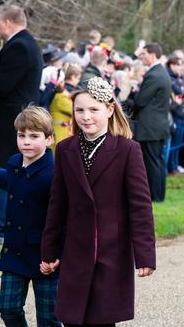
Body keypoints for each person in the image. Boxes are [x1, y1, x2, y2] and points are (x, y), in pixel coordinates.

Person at [41, 77, 156, 326]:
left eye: (94, 109)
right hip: (75, 249)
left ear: (110, 110)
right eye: (80, 110)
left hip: (111, 251)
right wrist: (49, 250)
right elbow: (57, 204)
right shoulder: (65, 149)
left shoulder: (128, 150)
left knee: (102, 319)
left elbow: (140, 206)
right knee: (73, 317)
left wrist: (145, 254)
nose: (86, 116)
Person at [0, 106, 60, 327]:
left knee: (49, 318)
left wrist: (56, 254)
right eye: (22, 135)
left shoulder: (55, 173)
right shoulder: (14, 163)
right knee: (8, 307)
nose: (26, 141)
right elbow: (11, 179)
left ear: (49, 139)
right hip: (15, 251)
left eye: (34, 136)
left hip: (45, 255)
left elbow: (62, 218)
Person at [0, 4, 43, 247]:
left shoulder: (20, 46)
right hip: (13, 118)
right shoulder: (24, 44)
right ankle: (2, 227)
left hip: (11, 121)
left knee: (4, 171)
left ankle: (0, 229)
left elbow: (2, 85)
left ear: (6, 22)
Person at [134, 43, 171, 202]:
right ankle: (159, 195)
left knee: (152, 164)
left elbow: (140, 101)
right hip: (157, 126)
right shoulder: (160, 72)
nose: (142, 57)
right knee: (158, 162)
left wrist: (135, 93)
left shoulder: (154, 74)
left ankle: (155, 196)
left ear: (153, 55)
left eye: (144, 54)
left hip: (150, 127)